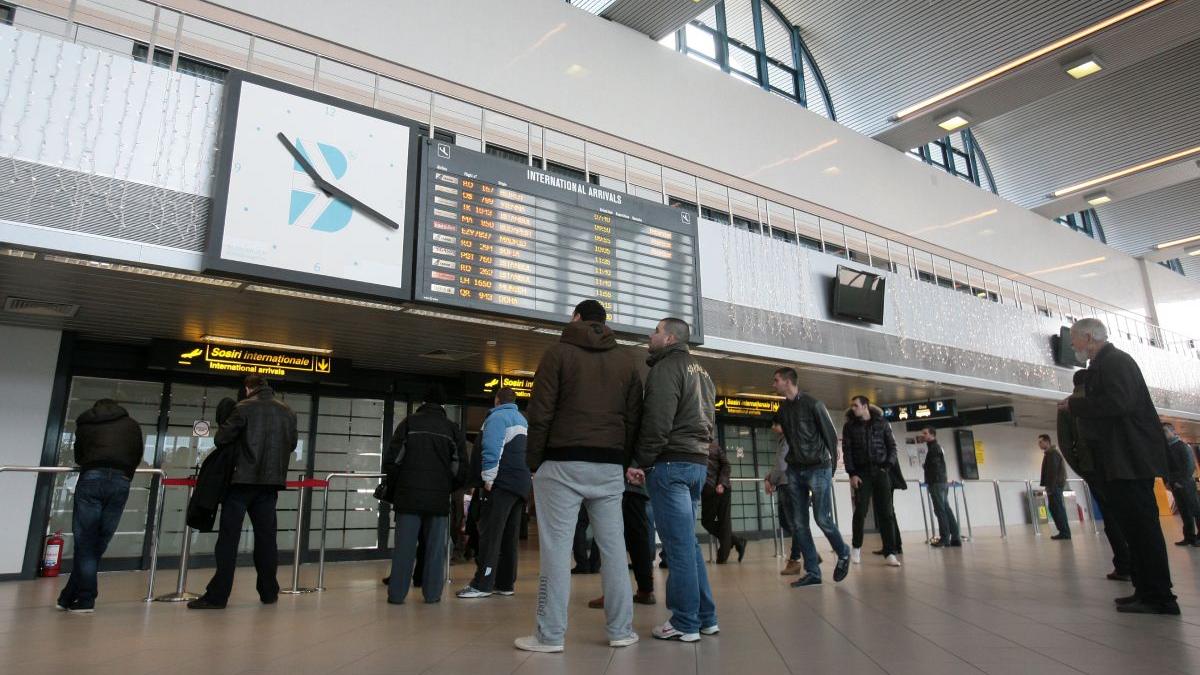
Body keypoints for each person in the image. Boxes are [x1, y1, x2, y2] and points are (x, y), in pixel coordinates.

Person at [515, 299, 643, 653]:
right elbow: (634, 417)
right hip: (608, 466)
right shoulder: (625, 361)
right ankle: (621, 630)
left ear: (575, 318)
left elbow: (540, 412)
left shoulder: (557, 354)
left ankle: (549, 635)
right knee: (615, 550)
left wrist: (534, 461)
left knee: (556, 552)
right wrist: (622, 458)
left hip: (561, 462)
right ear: (604, 322)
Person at [1060, 318, 1178, 615]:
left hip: (1130, 460)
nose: (1072, 345)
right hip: (1120, 460)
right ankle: (1145, 589)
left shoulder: (1116, 362)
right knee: (1133, 530)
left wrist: (1075, 406)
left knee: (1142, 529)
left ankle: (1160, 596)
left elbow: (1119, 403)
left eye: (1074, 339)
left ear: (1089, 337)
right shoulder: (1103, 365)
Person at [626, 317, 717, 643]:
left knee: (678, 547)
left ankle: (685, 621)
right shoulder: (703, 372)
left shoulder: (666, 368)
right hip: (696, 464)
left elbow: (657, 421)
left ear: (669, 338)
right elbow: (711, 424)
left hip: (672, 466)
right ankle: (706, 617)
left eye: (655, 331)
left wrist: (640, 461)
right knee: (688, 545)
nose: (650, 336)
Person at [190, 375, 297, 610]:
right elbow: (292, 445)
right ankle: (269, 592)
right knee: (267, 540)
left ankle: (218, 596)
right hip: (270, 485)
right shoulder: (287, 412)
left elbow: (221, 439)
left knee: (228, 540)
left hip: (240, 484)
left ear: (248, 388)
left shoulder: (244, 408)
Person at [55, 399, 144, 613]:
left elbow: (79, 456)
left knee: (85, 542)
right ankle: (69, 596)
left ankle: (84, 598)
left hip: (92, 478)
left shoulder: (86, 423)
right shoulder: (131, 425)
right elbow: (137, 454)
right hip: (121, 481)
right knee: (98, 542)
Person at [383, 384, 467, 605]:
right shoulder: (451, 429)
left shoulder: (408, 423)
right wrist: (446, 486)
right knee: (435, 549)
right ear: (442, 404)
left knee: (404, 548)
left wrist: (398, 485)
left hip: (408, 497)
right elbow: (460, 468)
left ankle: (396, 595)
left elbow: (392, 461)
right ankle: (431, 595)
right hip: (439, 499)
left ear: (423, 402)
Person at [772, 367, 851, 586]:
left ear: (788, 382)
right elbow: (788, 438)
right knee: (799, 524)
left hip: (819, 467)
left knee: (821, 518)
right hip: (795, 470)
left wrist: (831, 470)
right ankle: (813, 573)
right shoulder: (783, 410)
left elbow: (831, 438)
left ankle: (843, 552)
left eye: (776, 380)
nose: (774, 384)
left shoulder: (814, 405)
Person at [457, 387, 532, 598]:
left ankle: (482, 584)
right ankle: (505, 583)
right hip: (520, 485)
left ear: (497, 400)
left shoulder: (498, 417)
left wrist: (488, 478)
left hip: (502, 483)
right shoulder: (522, 420)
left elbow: (492, 446)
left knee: (490, 534)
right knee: (509, 536)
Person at [1058, 369, 1132, 580]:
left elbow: (1065, 443)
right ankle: (1139, 564)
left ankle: (1124, 565)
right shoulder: (1103, 399)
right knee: (1126, 514)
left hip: (1091, 468)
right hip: (1118, 465)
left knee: (1110, 516)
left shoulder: (1068, 404)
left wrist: (1082, 468)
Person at [842, 396, 901, 567]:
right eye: (852, 406)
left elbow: (892, 446)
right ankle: (856, 547)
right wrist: (852, 473)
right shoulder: (849, 427)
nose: (853, 408)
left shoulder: (882, 423)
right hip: (861, 473)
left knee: (886, 512)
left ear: (865, 406)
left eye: (856, 405)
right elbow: (847, 451)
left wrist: (887, 466)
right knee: (860, 511)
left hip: (881, 471)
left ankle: (890, 552)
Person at [587, 478, 658, 609]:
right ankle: (646, 590)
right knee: (639, 538)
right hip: (637, 486)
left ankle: (612, 595)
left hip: (614, 483)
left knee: (609, 536)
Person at [701, 441, 746, 564]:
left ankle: (722, 556)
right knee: (707, 522)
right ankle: (736, 541)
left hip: (721, 488)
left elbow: (726, 465)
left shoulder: (714, 447)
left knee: (724, 521)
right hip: (708, 491)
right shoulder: (693, 446)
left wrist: (721, 483)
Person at [920, 427, 961, 547]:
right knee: (946, 509)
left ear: (932, 435)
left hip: (936, 483)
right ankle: (955, 537)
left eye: (925, 433)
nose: (923, 435)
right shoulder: (937, 448)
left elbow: (935, 466)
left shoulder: (934, 449)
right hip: (942, 482)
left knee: (940, 510)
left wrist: (926, 467)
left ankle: (944, 538)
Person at [1163, 423, 1200, 547]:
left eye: (1165, 431)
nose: (1164, 434)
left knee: (1196, 510)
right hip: (1175, 484)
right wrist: (1167, 482)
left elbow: (1189, 467)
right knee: (1184, 512)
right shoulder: (1167, 449)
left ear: (1173, 432)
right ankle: (1189, 537)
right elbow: (1166, 468)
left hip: (1186, 484)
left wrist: (1179, 481)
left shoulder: (1183, 446)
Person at [1038, 434, 1072, 540]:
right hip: (1054, 486)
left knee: (1057, 508)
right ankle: (1063, 531)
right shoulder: (1049, 454)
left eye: (1040, 442)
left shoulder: (1052, 454)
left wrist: (1051, 488)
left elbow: (1053, 473)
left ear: (1047, 442)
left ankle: (1065, 532)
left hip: (1055, 486)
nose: (1039, 444)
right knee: (1055, 508)